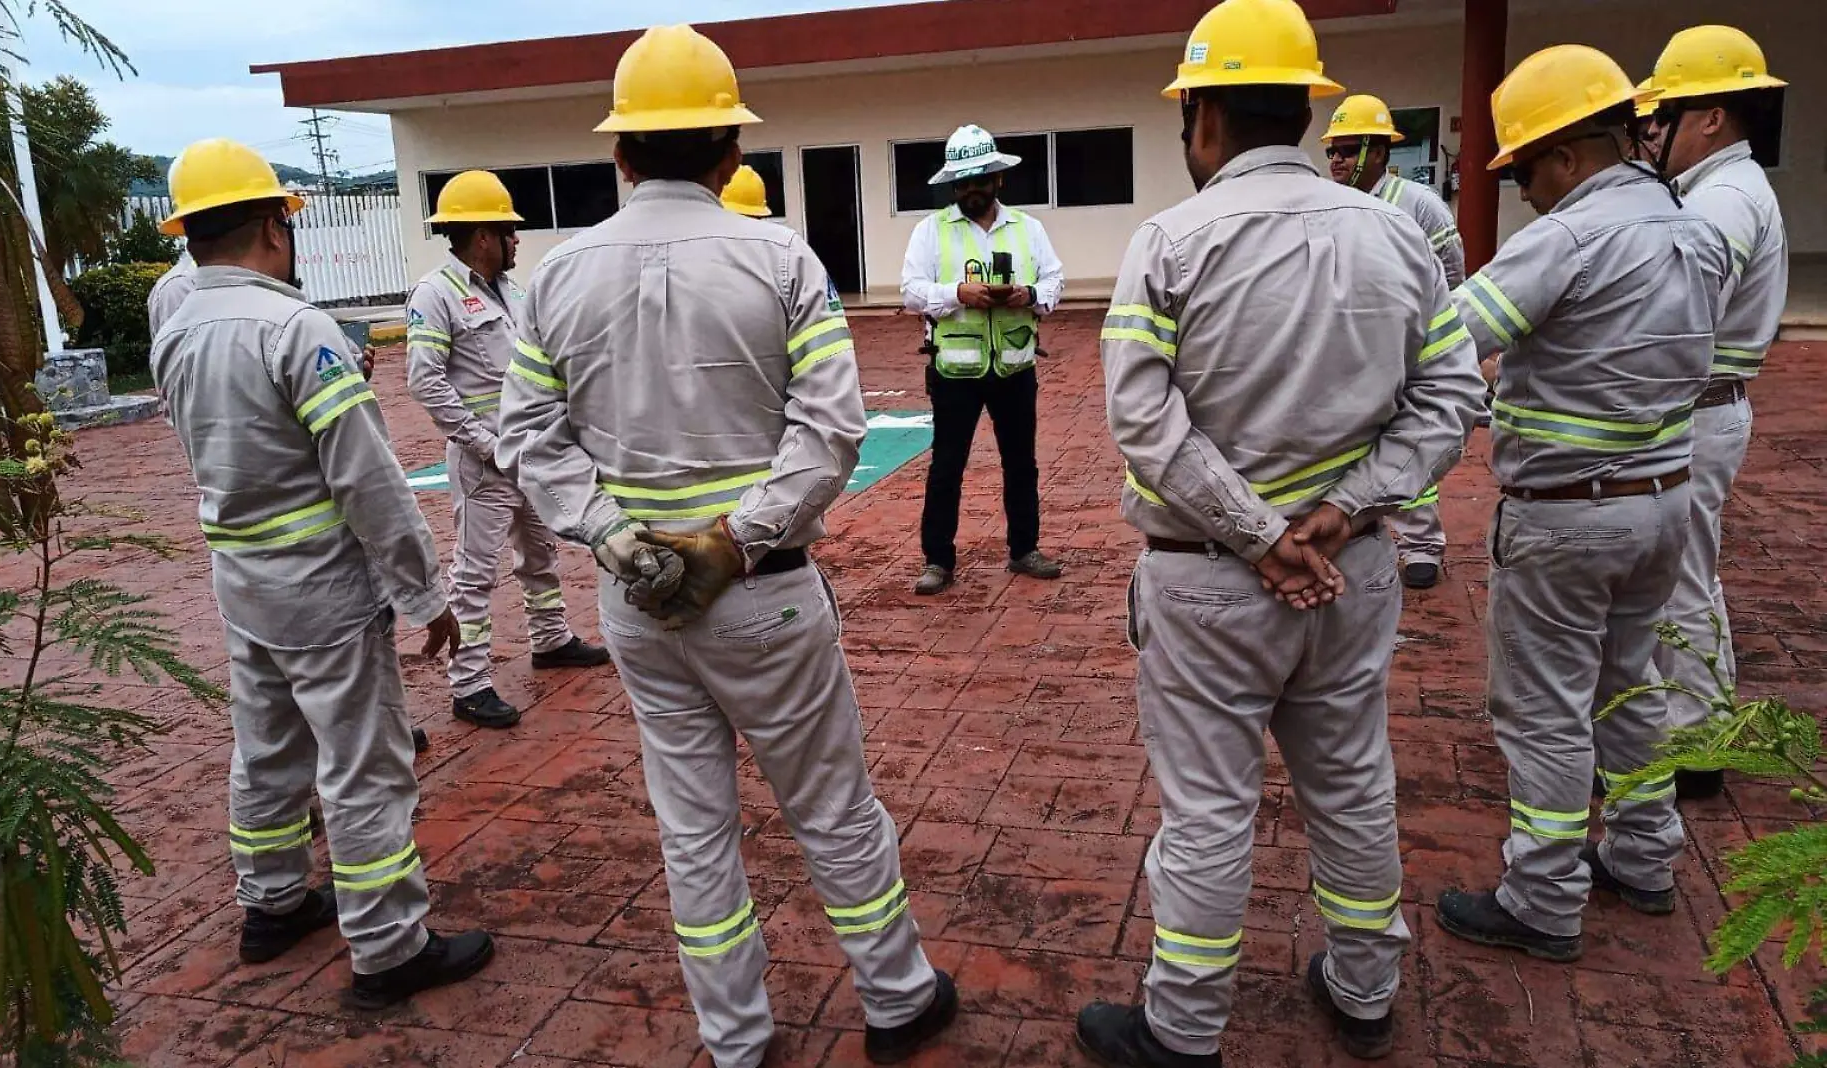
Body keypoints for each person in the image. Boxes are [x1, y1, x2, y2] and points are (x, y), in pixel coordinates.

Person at [495, 25, 955, 1068]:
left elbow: (528, 436)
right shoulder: (781, 258)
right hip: (765, 596)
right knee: (832, 806)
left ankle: (736, 1039)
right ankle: (896, 1000)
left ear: (620, 156)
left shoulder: (557, 279)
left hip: (639, 602)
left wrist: (613, 537)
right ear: (731, 154)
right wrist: (737, 543)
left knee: (693, 828)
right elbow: (833, 430)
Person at [1073, 1, 1486, 1064]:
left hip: (1210, 581)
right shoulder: (1396, 232)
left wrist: (1256, 533)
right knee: (1349, 778)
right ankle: (1363, 989)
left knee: (1208, 809)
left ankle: (1184, 1028)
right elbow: (1447, 399)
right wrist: (1346, 508)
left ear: (1202, 116)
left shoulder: (1168, 240)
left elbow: (1140, 418)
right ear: (1302, 109)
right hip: (1349, 572)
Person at [149, 138, 494, 1009]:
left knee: (265, 750)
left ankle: (270, 904)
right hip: (324, 591)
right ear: (275, 225)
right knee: (363, 764)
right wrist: (424, 594)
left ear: (189, 232)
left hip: (243, 580)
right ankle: (386, 945)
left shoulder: (177, 327)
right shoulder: (294, 328)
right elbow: (369, 480)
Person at [1433, 45, 1729, 963]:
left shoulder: (1567, 238)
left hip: (1567, 516)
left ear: (1565, 153)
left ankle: (1543, 896)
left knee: (1544, 709)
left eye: (1522, 167)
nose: (1522, 189)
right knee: (1633, 689)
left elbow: (1450, 337)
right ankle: (1643, 857)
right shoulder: (1692, 228)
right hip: (1663, 503)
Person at [1642, 25, 1789, 802]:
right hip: (1706, 409)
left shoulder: (1724, 200)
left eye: (1666, 116)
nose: (1653, 132)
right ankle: (1698, 731)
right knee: (1688, 578)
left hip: (1695, 411)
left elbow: (1680, 309)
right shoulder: (1720, 191)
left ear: (1712, 118)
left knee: (1679, 583)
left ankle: (1693, 748)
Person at [405, 169, 608, 731]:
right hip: (483, 464)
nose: (518, 240)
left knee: (540, 556)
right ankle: (468, 685)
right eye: (509, 230)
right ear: (482, 235)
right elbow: (425, 380)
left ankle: (551, 639)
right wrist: (480, 441)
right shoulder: (437, 294)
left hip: (526, 457)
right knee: (474, 576)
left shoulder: (512, 294)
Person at [900, 124, 1066, 596]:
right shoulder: (930, 232)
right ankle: (937, 560)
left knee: (1022, 464)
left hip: (1015, 367)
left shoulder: (1028, 229)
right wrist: (957, 293)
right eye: (963, 182)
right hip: (956, 371)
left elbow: (1055, 281)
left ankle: (1024, 550)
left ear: (998, 179)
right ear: (953, 186)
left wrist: (1029, 294)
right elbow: (911, 292)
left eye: (980, 179)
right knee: (947, 466)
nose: (971, 189)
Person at [1322, 93, 1467, 590]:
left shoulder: (1417, 205)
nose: (1337, 161)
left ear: (1380, 152)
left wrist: (1438, 331)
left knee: (1411, 434)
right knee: (1362, 439)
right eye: (1332, 152)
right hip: (1353, 344)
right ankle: (1356, 524)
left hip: (1407, 340)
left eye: (1348, 150)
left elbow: (1452, 272)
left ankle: (1421, 544)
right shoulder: (1334, 205)